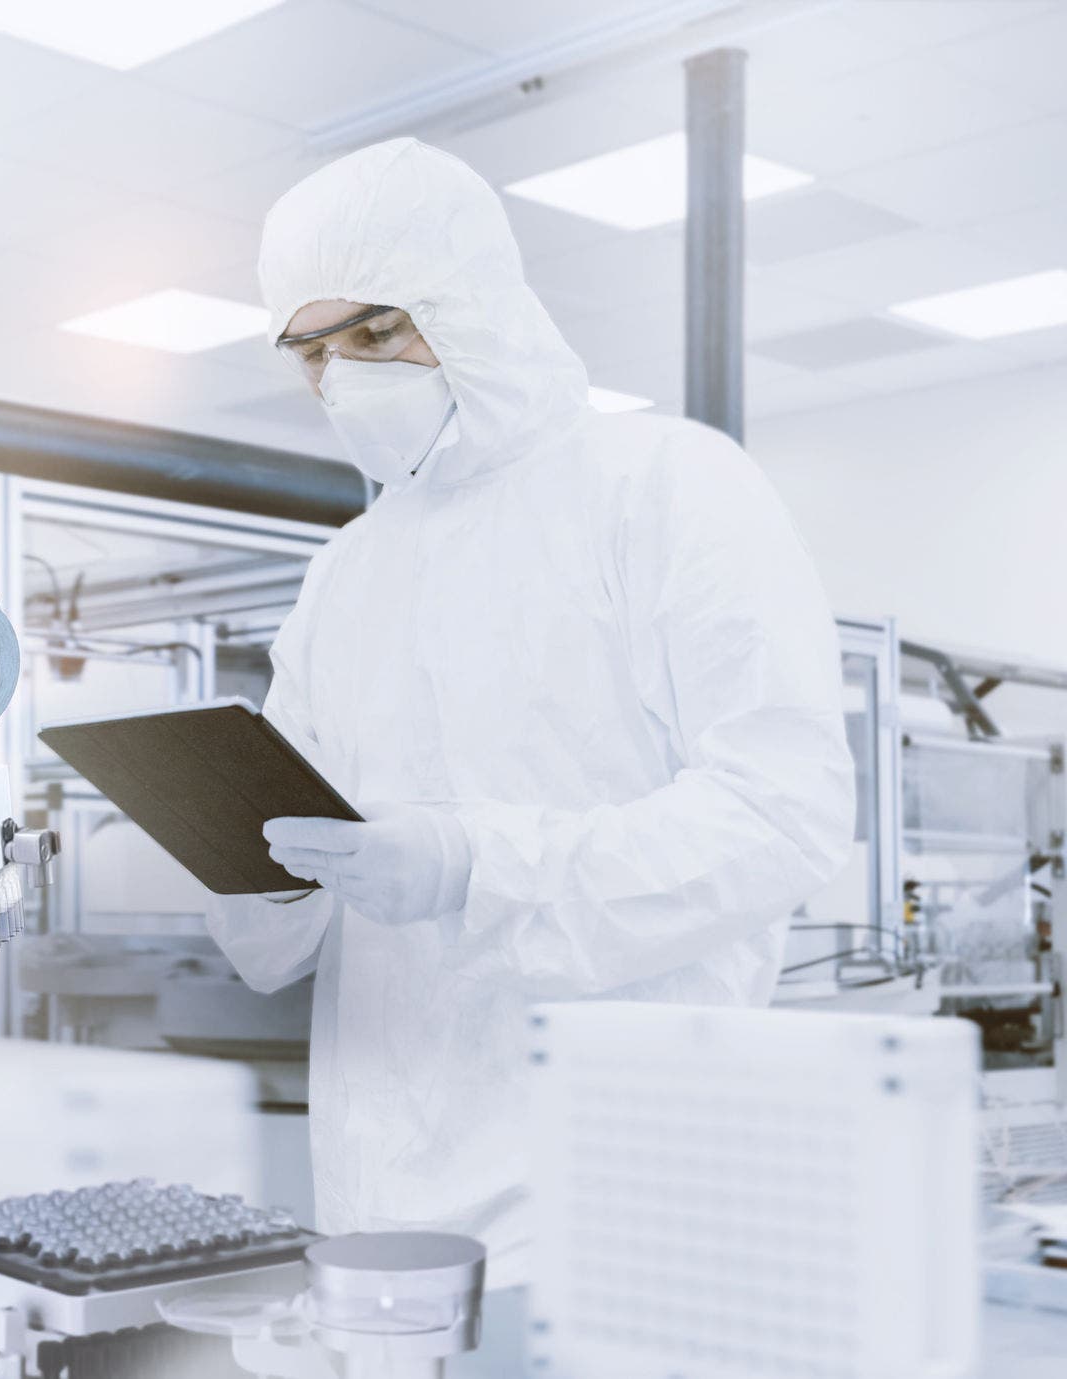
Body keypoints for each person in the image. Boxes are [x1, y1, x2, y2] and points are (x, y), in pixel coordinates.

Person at [204, 138, 857, 1299]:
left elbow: (780, 813)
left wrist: (474, 860)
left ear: (472, 305)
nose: (341, 380)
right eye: (309, 351)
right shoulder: (344, 573)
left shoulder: (663, 483)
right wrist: (252, 864)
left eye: (372, 332)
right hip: (378, 1207)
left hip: (620, 1206)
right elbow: (281, 932)